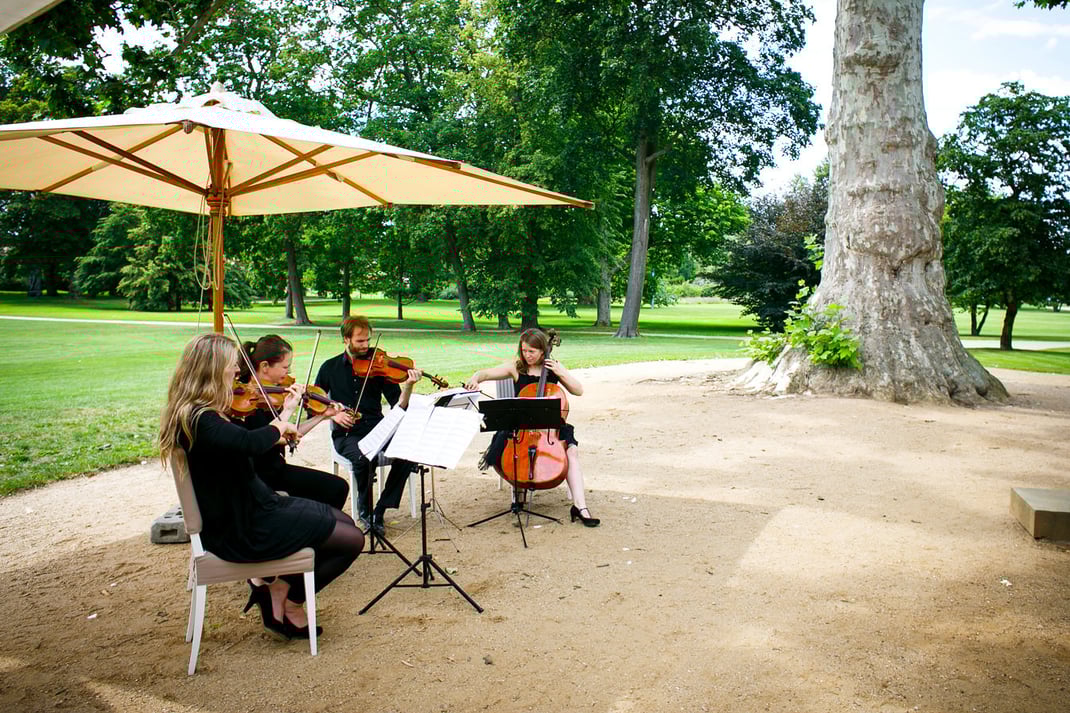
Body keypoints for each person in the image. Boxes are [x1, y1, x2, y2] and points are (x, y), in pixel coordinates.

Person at [158, 333, 363, 640]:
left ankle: (279, 588)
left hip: (252, 506)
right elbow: (251, 443)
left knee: (343, 522)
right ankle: (290, 599)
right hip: (241, 527)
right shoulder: (202, 419)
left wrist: (286, 418)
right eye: (232, 365)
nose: (237, 371)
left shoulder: (203, 413)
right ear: (212, 370)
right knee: (351, 539)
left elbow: (250, 443)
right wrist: (282, 421)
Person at [464, 328, 600, 527]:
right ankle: (518, 491)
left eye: (532, 351)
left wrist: (560, 372)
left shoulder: (553, 368)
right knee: (504, 451)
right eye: (524, 350)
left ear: (543, 351)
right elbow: (485, 373)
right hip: (521, 427)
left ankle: (580, 507)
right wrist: (475, 379)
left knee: (572, 451)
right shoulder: (516, 368)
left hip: (550, 427)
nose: (527, 355)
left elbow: (578, 390)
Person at [315, 316, 421, 536]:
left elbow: (399, 405)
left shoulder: (379, 366)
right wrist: (334, 415)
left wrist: (408, 386)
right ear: (346, 339)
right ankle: (365, 509)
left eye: (368, 340)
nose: (366, 346)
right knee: (363, 457)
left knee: (408, 450)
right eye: (360, 341)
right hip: (347, 434)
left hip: (377, 429)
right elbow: (314, 404)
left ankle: (380, 509)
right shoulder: (329, 368)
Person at [236, 334, 349, 511]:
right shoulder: (245, 401)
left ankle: (320, 523)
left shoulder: (275, 396)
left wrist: (322, 416)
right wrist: (288, 410)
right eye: (284, 367)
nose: (288, 373)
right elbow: (270, 438)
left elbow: (291, 434)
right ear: (264, 366)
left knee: (337, 487)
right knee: (335, 489)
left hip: (276, 468)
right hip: (262, 475)